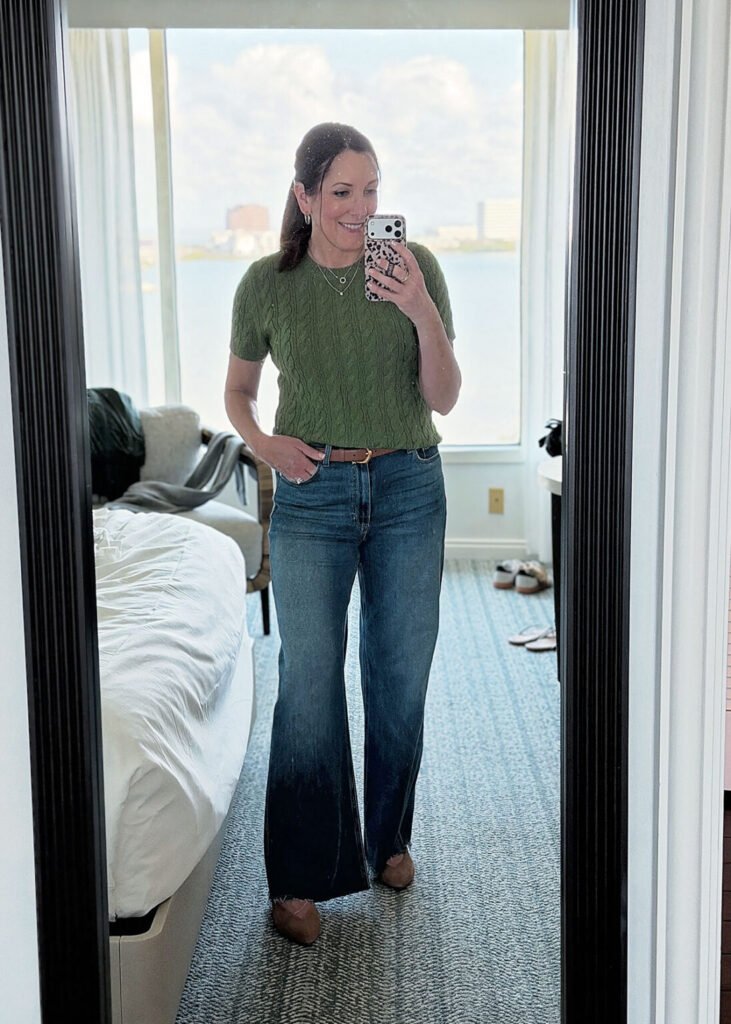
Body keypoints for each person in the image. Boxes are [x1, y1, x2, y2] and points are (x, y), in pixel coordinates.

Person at [224, 122, 461, 945]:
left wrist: (419, 309)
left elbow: (444, 396)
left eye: (371, 190)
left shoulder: (414, 267)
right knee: (309, 683)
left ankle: (386, 839)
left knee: (399, 676)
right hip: (311, 493)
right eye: (340, 192)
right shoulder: (266, 284)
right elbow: (237, 392)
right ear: (304, 196)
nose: (360, 209)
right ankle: (298, 878)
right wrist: (263, 443)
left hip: (408, 488)